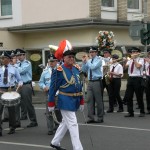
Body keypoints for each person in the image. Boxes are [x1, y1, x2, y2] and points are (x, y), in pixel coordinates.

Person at [48, 40, 84, 150]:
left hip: (75, 99)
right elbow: (53, 88)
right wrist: (51, 102)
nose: (71, 59)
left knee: (65, 122)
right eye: (69, 57)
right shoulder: (59, 70)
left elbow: (79, 85)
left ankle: (55, 142)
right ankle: (78, 148)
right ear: (64, 58)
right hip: (65, 100)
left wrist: (81, 100)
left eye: (73, 57)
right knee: (73, 124)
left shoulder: (76, 69)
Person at [0, 51, 22, 136]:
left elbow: (19, 79)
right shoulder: (0, 69)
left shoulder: (14, 69)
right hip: (1, 90)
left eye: (3, 58)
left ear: (8, 59)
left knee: (11, 110)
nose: (2, 60)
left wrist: (20, 85)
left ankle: (12, 127)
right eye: (1, 58)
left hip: (10, 89)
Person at [39, 54, 61, 135]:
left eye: (52, 61)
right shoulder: (45, 72)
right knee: (49, 112)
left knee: (58, 111)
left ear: (56, 61)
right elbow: (41, 82)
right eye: (49, 61)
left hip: (58, 93)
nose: (51, 63)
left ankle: (58, 126)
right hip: (49, 93)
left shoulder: (60, 71)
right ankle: (50, 129)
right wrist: (44, 87)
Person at [15, 48, 38, 127]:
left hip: (26, 84)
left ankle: (33, 121)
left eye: (20, 55)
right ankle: (17, 121)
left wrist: (15, 66)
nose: (19, 57)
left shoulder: (27, 63)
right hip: (18, 85)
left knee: (28, 104)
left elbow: (22, 71)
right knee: (16, 104)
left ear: (24, 55)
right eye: (17, 55)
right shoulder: (17, 64)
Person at [82, 46, 104, 123]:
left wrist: (87, 61)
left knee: (98, 100)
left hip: (97, 81)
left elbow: (93, 67)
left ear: (96, 52)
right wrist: (84, 62)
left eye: (93, 52)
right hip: (90, 81)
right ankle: (91, 117)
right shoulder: (89, 60)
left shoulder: (99, 60)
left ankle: (100, 117)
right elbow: (84, 70)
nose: (91, 53)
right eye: (90, 52)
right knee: (89, 99)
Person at [124, 47, 145, 117]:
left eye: (135, 52)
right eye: (132, 52)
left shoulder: (141, 59)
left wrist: (134, 60)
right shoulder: (129, 60)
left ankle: (142, 111)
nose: (133, 53)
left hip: (138, 78)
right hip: (130, 78)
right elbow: (125, 68)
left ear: (138, 53)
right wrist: (126, 60)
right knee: (129, 96)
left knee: (139, 96)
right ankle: (130, 112)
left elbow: (138, 66)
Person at [143, 49, 150, 114]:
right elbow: (144, 68)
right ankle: (149, 108)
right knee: (147, 94)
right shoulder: (146, 61)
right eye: (149, 54)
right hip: (148, 77)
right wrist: (144, 72)